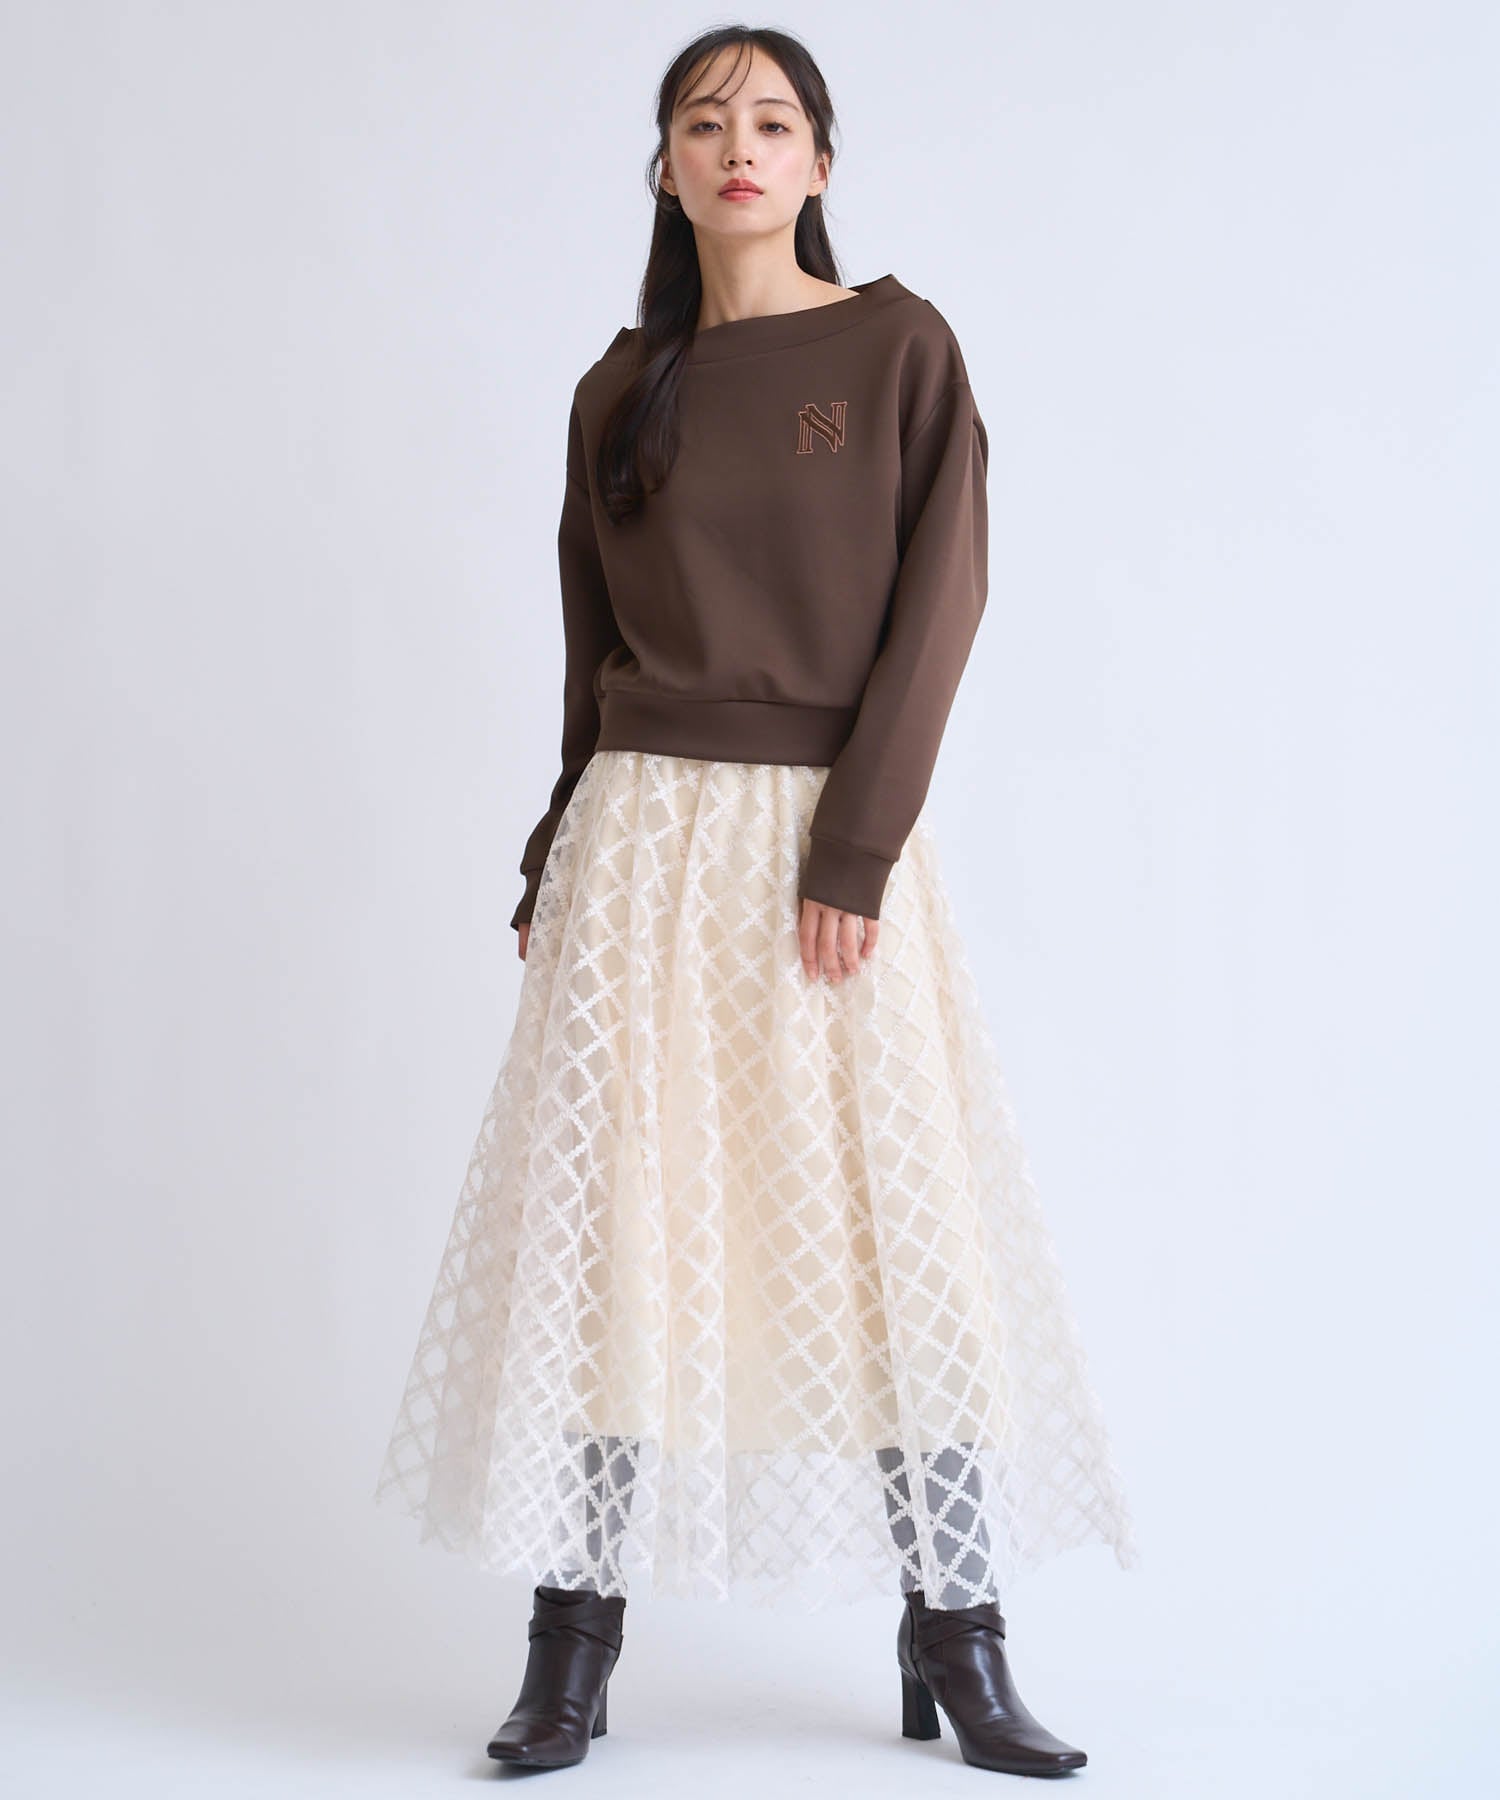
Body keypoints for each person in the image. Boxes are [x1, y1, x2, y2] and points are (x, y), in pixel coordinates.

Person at [373, 23, 1138, 1778]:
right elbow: (593, 654)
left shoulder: (896, 347)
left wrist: (855, 847)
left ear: (819, 163)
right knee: (614, 1234)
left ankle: (957, 1632)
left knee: (901, 1232)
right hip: (639, 844)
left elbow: (942, 603)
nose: (739, 144)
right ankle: (572, 1649)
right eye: (704, 120)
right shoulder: (618, 388)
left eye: (773, 120)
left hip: (822, 847)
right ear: (664, 166)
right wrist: (551, 852)